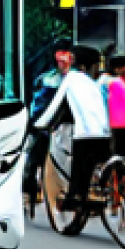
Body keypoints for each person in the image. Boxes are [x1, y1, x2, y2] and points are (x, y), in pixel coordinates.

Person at [34, 45, 111, 206]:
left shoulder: (71, 78)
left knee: (79, 172)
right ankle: (95, 191)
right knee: (93, 165)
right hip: (104, 133)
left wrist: (39, 124)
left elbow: (54, 105)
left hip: (85, 134)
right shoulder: (94, 83)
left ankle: (75, 196)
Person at [22, 39, 76, 217]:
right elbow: (38, 106)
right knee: (34, 158)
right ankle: (29, 190)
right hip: (46, 126)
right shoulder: (46, 79)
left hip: (70, 127)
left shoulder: (77, 79)